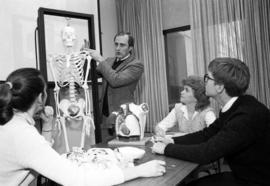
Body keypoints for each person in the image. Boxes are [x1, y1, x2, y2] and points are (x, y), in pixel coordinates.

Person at [0, 68, 166, 186]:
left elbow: (36, 156)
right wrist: (138, 171)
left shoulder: (11, 124)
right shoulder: (23, 135)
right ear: (39, 98)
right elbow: (78, 181)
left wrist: (48, 125)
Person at [152, 58, 270, 186]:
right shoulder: (237, 106)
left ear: (219, 87)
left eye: (207, 78)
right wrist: (172, 141)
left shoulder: (245, 115)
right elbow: (207, 134)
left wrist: (166, 149)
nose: (205, 82)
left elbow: (206, 153)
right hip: (244, 175)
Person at [86, 32, 144, 135]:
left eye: (122, 45)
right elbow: (90, 76)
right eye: (116, 44)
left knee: (122, 148)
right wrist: (85, 58)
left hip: (123, 115)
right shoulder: (109, 61)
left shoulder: (136, 65)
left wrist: (100, 59)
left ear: (130, 48)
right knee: (105, 148)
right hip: (105, 115)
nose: (118, 48)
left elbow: (115, 80)